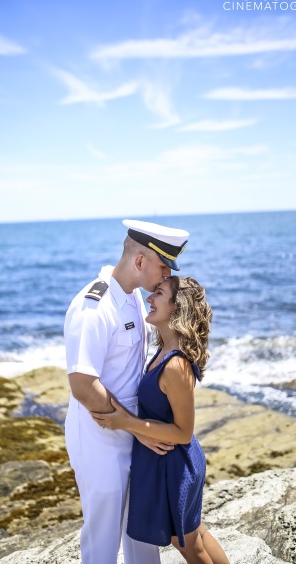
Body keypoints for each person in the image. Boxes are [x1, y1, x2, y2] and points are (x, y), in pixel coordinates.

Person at [64, 219, 190, 564]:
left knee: (142, 533)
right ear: (140, 262)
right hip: (99, 437)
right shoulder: (95, 306)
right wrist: (138, 427)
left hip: (133, 430)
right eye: (163, 266)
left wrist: (140, 428)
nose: (166, 277)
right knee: (103, 541)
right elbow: (83, 387)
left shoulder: (134, 297)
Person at [91, 276, 230, 564]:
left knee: (187, 543)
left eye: (158, 293)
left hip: (176, 463)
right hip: (166, 462)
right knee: (194, 533)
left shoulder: (176, 364)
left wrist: (125, 422)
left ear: (177, 307)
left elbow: (183, 432)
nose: (149, 299)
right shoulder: (163, 351)